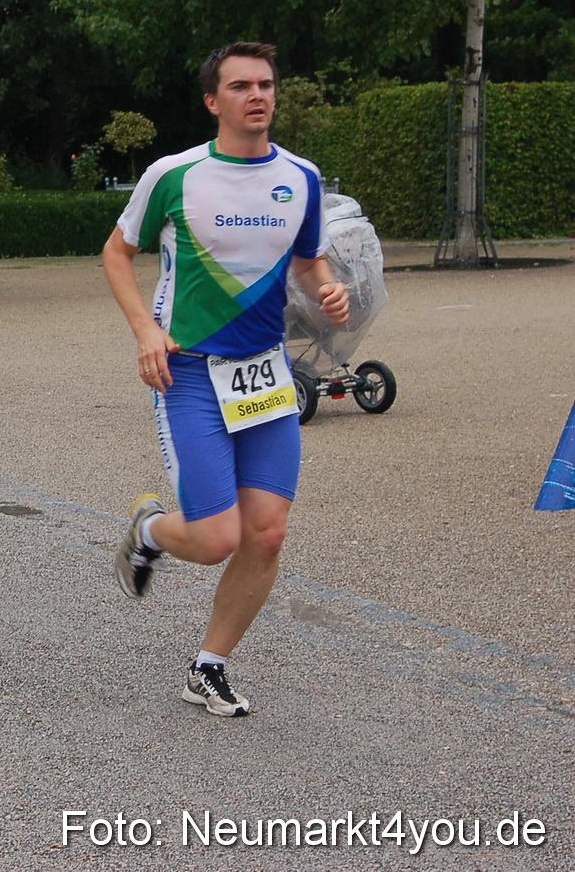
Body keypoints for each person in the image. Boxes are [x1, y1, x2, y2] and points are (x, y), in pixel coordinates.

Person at [106, 41, 350, 718]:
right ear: (214, 100)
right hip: (188, 372)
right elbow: (117, 253)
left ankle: (208, 667)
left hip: (265, 375)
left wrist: (328, 288)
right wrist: (145, 330)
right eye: (241, 85)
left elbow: (309, 260)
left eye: (265, 84)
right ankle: (150, 531)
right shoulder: (174, 174)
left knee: (266, 532)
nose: (257, 95)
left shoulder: (301, 176)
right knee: (216, 539)